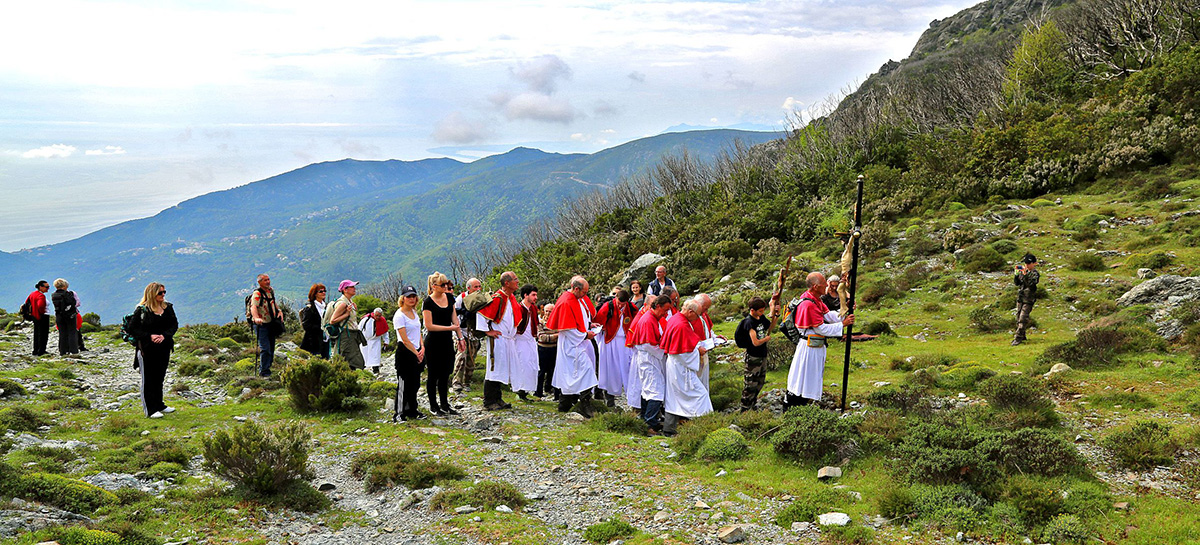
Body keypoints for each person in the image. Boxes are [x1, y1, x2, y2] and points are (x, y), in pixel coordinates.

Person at [786, 272, 854, 407]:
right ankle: (796, 405)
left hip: (814, 347)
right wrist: (843, 324)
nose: (826, 287)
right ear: (816, 286)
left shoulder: (815, 299)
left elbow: (828, 315)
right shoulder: (809, 304)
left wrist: (844, 311)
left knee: (807, 377)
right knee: (803, 378)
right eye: (824, 285)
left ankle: (802, 404)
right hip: (808, 348)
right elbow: (820, 329)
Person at [547, 275, 599, 416]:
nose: (585, 295)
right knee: (585, 371)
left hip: (576, 343)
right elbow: (567, 328)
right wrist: (584, 335)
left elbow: (578, 319)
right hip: (572, 344)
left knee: (570, 374)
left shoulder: (575, 299)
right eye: (584, 292)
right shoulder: (566, 302)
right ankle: (584, 405)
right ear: (576, 288)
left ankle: (565, 405)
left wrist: (588, 325)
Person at [660, 299, 712, 436]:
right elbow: (682, 353)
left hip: (676, 365)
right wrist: (698, 352)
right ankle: (705, 426)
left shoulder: (676, 318)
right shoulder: (682, 325)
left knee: (673, 398)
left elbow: (684, 344)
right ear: (690, 312)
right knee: (701, 395)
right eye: (697, 315)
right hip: (681, 368)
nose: (698, 318)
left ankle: (669, 428)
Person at [127, 282, 179, 419]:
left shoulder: (168, 308)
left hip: (164, 348)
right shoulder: (142, 310)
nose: (163, 295)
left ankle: (160, 405)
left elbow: (174, 325)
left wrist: (164, 336)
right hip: (147, 350)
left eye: (164, 292)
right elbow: (133, 329)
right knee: (149, 379)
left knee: (160, 377)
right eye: (160, 293)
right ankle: (150, 409)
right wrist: (149, 336)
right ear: (152, 294)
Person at [476, 271, 521, 411]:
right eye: (515, 279)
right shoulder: (497, 298)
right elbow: (481, 314)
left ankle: (498, 398)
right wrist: (488, 331)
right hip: (498, 339)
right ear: (507, 283)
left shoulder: (510, 297)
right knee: (494, 368)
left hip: (507, 339)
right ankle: (489, 401)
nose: (517, 281)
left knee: (502, 368)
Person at [630, 295, 671, 432]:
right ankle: (650, 423)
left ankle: (645, 418)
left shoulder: (651, 317)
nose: (665, 314)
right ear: (657, 306)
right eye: (665, 310)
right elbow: (647, 344)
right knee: (655, 390)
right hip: (649, 359)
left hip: (649, 358)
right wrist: (663, 351)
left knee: (648, 389)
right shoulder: (648, 320)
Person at [424, 272, 464, 415]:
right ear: (434, 286)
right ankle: (433, 406)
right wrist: (451, 328)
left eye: (447, 284)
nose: (446, 287)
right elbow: (429, 326)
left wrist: (460, 338)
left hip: (447, 341)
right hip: (433, 342)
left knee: (445, 373)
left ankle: (445, 404)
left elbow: (455, 320)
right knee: (433, 374)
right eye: (443, 285)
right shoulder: (428, 302)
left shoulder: (449, 298)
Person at [594, 288, 634, 407]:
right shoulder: (608, 306)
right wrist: (603, 327)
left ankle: (631, 398)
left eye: (623, 303)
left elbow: (637, 319)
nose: (621, 305)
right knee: (610, 369)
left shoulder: (630, 307)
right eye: (619, 302)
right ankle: (609, 399)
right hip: (610, 341)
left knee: (627, 369)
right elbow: (598, 321)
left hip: (625, 341)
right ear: (616, 298)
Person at [393, 285, 426, 421]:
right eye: (408, 297)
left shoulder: (414, 313)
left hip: (417, 349)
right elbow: (404, 338)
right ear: (403, 298)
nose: (411, 299)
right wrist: (415, 352)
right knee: (403, 384)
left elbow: (418, 331)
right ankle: (399, 413)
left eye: (413, 296)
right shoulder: (399, 315)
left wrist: (422, 347)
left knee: (415, 383)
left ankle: (412, 409)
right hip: (405, 352)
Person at [735, 297, 774, 411]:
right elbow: (755, 342)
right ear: (752, 310)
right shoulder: (749, 323)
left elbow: (770, 326)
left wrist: (775, 315)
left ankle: (753, 404)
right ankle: (745, 408)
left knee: (760, 382)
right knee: (750, 384)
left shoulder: (760, 318)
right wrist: (766, 339)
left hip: (762, 355)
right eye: (761, 311)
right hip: (753, 357)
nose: (762, 313)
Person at [249, 274, 284, 376]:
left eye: (268, 279)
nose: (268, 282)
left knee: (271, 348)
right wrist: (256, 318)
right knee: (265, 348)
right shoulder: (257, 294)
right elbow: (253, 307)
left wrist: (279, 311)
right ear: (259, 282)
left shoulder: (270, 291)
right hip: (261, 325)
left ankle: (267, 368)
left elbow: (273, 302)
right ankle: (264, 372)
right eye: (265, 280)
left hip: (271, 323)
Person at [327, 279, 367, 369]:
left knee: (350, 360)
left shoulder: (348, 302)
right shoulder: (342, 304)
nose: (354, 288)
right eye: (352, 287)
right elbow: (332, 320)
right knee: (351, 360)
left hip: (350, 335)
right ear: (345, 290)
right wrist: (346, 314)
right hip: (346, 335)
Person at [453, 278, 484, 393]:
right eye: (475, 287)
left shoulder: (482, 299)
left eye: (479, 286)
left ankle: (467, 382)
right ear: (468, 288)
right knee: (461, 356)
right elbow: (454, 313)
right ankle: (456, 382)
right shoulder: (461, 298)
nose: (478, 289)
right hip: (462, 331)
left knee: (472, 358)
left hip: (474, 333)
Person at [512, 284, 541, 401]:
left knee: (532, 365)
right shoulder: (519, 308)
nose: (535, 297)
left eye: (536, 295)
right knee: (522, 365)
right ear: (525, 295)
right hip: (520, 340)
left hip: (531, 340)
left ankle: (526, 390)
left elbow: (536, 322)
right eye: (533, 295)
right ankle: (520, 390)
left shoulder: (533, 308)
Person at [690, 293, 717, 390]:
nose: (706, 311)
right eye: (705, 308)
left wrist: (715, 338)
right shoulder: (691, 317)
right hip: (695, 354)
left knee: (704, 382)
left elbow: (708, 329)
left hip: (704, 352)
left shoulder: (703, 314)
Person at [1013, 253, 1040, 346]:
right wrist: (1016, 275)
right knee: (1018, 318)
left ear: (1034, 263)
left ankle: (1018, 338)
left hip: (1028, 299)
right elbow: (1017, 283)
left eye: (1029, 264)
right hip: (1020, 298)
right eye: (1026, 264)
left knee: (1023, 318)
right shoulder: (1023, 271)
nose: (1027, 265)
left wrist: (1025, 275)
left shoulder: (1035, 274)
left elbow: (1031, 284)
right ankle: (1023, 335)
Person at [535, 303, 559, 400]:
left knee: (553, 370)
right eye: (546, 311)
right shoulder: (540, 322)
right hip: (542, 349)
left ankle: (550, 389)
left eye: (550, 311)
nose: (548, 313)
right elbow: (541, 337)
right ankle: (538, 392)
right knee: (541, 371)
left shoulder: (558, 323)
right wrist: (556, 335)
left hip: (554, 349)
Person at [300, 283, 330, 358]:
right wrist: (321, 328)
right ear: (315, 294)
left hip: (325, 340)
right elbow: (306, 325)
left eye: (324, 291)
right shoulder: (309, 308)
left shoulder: (326, 306)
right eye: (321, 291)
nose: (324, 293)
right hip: (313, 341)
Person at [50, 278, 79, 355]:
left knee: (62, 333)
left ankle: (62, 351)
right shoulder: (67, 294)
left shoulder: (54, 295)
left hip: (59, 315)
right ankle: (73, 350)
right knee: (72, 332)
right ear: (65, 286)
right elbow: (74, 303)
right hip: (70, 315)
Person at [358, 308, 390, 375]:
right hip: (365, 340)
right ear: (374, 313)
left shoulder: (382, 321)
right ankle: (362, 370)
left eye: (379, 316)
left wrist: (386, 341)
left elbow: (385, 332)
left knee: (375, 355)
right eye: (376, 315)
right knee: (363, 355)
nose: (377, 317)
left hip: (376, 341)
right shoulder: (366, 319)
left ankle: (375, 370)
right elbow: (359, 328)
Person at [26, 280, 50, 356]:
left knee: (37, 333)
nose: (48, 289)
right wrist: (42, 312)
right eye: (46, 287)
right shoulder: (41, 296)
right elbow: (40, 306)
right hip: (42, 316)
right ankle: (41, 351)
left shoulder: (32, 294)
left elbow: (27, 302)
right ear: (41, 287)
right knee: (43, 334)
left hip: (34, 316)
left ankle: (35, 350)